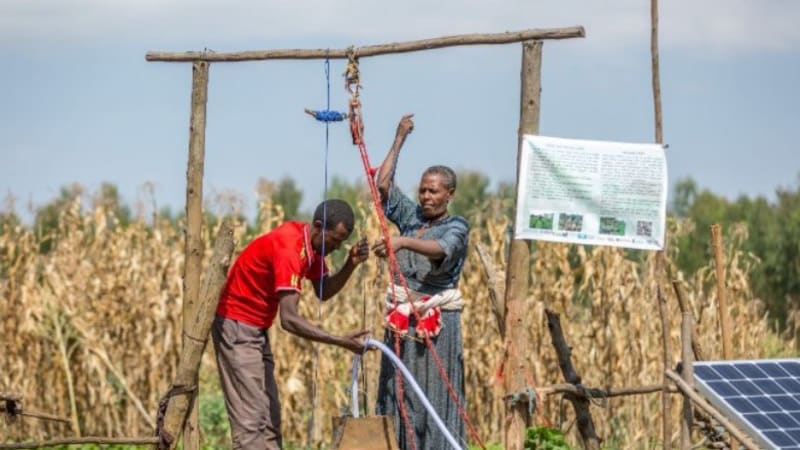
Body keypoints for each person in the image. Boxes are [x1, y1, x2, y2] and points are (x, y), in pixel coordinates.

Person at [212, 199, 371, 450]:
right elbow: (289, 319)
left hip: (256, 329)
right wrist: (340, 341)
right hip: (236, 326)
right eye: (335, 240)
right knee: (251, 420)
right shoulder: (289, 248)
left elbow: (324, 291)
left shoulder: (313, 247)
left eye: (342, 243)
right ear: (318, 226)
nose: (337, 248)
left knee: (270, 419)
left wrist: (351, 263)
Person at [373, 114, 470, 450]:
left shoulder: (456, 226)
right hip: (402, 320)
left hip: (437, 325)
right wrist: (399, 138)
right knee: (398, 391)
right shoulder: (410, 216)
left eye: (434, 191)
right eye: (423, 190)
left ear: (449, 195)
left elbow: (441, 250)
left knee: (434, 397)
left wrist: (402, 242)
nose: (426, 196)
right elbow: (382, 186)